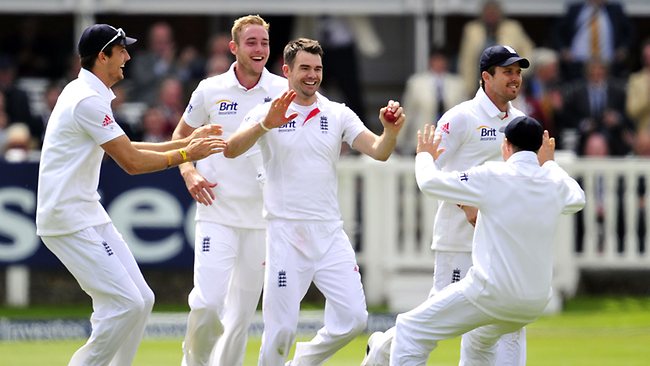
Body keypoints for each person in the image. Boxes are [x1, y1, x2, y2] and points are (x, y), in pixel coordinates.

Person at [35, 24, 225, 366]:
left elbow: (127, 145)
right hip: (67, 219)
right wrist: (187, 154)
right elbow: (132, 163)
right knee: (128, 304)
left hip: (86, 212)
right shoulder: (87, 101)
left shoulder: (86, 93)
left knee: (142, 299)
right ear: (102, 56)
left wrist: (187, 142)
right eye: (121, 50)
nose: (128, 56)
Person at [223, 37, 405, 366]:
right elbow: (232, 148)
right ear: (287, 70)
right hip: (285, 235)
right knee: (280, 332)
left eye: (317, 69)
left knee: (354, 319)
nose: (312, 75)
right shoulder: (268, 111)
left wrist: (390, 131)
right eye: (304, 68)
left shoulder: (337, 113)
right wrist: (266, 125)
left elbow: (379, 151)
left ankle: (304, 361)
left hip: (328, 233)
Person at [362, 44, 531, 366]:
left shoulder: (521, 122)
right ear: (486, 77)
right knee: (437, 318)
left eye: (518, 72)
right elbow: (431, 166)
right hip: (459, 239)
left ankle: (383, 348)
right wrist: (467, 205)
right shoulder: (461, 118)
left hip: (501, 243)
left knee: (507, 320)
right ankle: (382, 350)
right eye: (507, 72)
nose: (515, 78)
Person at [390, 116, 585, 365]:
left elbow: (429, 183)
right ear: (539, 149)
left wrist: (425, 155)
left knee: (409, 330)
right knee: (479, 339)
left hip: (490, 292)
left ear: (506, 145)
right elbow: (578, 197)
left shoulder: (493, 174)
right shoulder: (554, 182)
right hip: (535, 301)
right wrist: (549, 164)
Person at [171, 15, 287, 366]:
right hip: (216, 212)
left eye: (264, 43)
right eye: (251, 42)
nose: (259, 49)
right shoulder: (210, 89)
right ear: (233, 48)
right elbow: (180, 138)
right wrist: (189, 172)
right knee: (207, 303)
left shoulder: (283, 90)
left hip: (261, 219)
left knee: (239, 319)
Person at [397, 46, 466, 156]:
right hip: (422, 140)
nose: (439, 63)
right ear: (430, 61)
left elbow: (464, 115)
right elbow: (408, 113)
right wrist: (398, 141)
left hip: (450, 141)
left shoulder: (458, 84)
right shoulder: (416, 83)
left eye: (442, 60)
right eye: (436, 59)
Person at [458, 0, 534, 97]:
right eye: (488, 13)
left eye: (494, 13)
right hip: (479, 84)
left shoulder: (513, 28)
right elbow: (466, 60)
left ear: (500, 14)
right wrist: (468, 86)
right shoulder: (472, 29)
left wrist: (518, 73)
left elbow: (529, 51)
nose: (491, 17)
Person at [553, 0, 634, 80]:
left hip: (607, 62)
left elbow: (630, 31)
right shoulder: (574, 9)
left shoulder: (615, 10)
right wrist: (563, 49)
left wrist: (623, 48)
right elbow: (557, 31)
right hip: (578, 62)